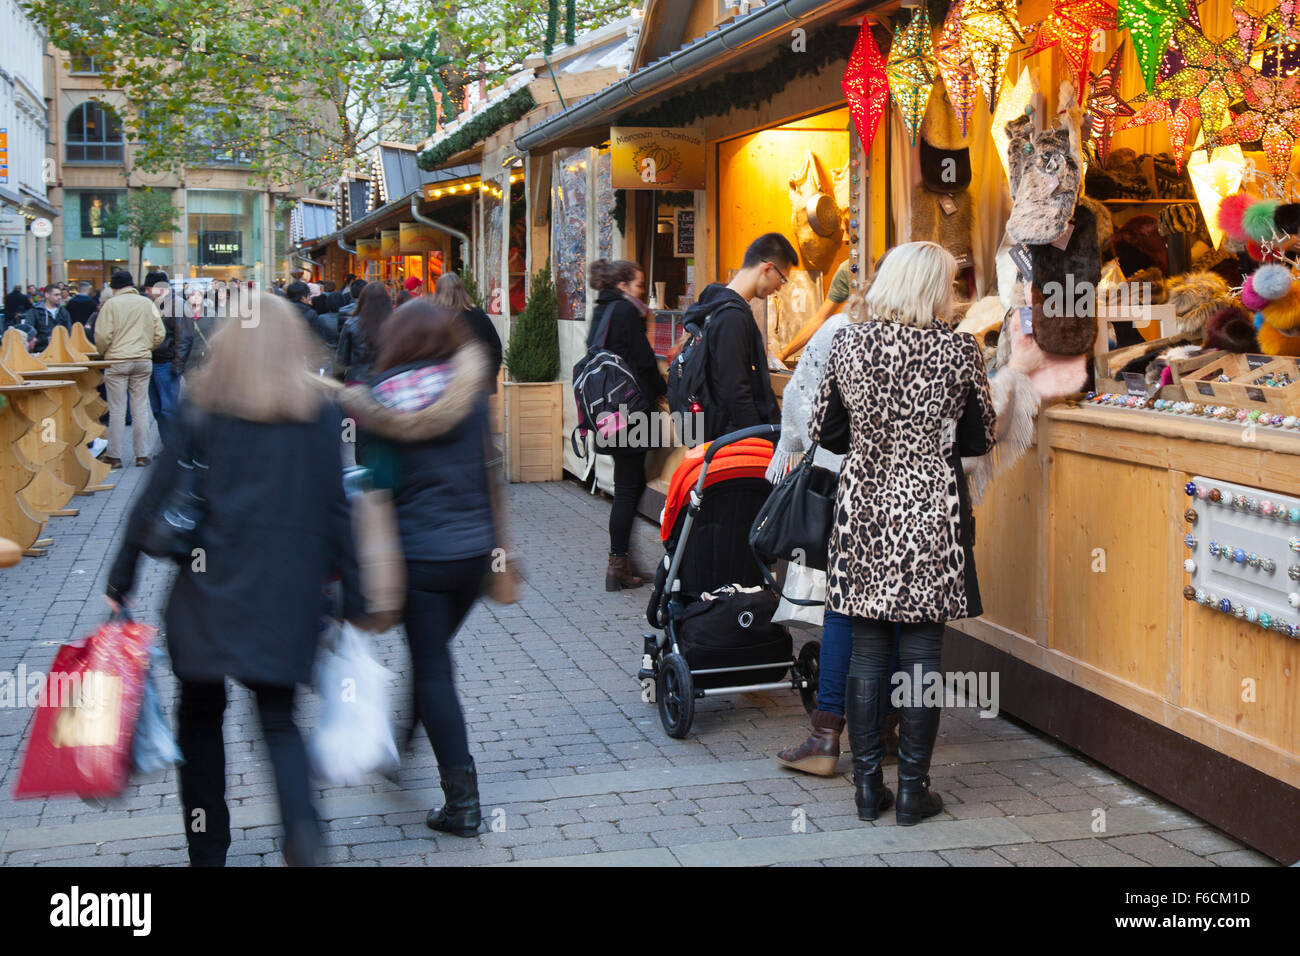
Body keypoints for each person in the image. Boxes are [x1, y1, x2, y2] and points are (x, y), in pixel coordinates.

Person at [106, 293, 364, 867]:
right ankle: (302, 832)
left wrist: (123, 574)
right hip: (285, 598)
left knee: (200, 718)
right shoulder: (318, 415)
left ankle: (208, 849)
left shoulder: (202, 408)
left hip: (207, 596)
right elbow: (336, 510)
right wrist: (357, 591)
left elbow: (151, 500)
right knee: (278, 719)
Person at [807, 241, 996, 826]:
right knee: (921, 653)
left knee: (866, 648)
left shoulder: (847, 342)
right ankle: (914, 790)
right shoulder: (960, 351)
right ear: (932, 288)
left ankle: (868, 790)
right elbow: (979, 439)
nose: (955, 294)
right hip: (929, 515)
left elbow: (826, 432)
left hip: (864, 508)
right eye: (949, 284)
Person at [339, 298, 494, 839]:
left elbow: (375, 483)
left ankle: (464, 805)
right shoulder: (471, 395)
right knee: (430, 657)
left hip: (419, 557)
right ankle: (403, 739)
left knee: (432, 667)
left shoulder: (379, 403)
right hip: (474, 556)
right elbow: (488, 470)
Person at [768, 252, 902, 777]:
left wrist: (831, 452)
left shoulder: (843, 333)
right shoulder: (936, 339)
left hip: (846, 487)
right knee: (893, 613)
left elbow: (807, 410)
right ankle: (888, 731)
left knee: (844, 609)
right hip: (912, 497)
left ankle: (828, 735)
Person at [582, 259, 666, 590]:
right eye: (638, 284)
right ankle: (618, 566)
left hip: (609, 413)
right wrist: (664, 391)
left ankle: (626, 561)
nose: (641, 290)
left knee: (627, 487)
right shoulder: (625, 311)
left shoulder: (602, 310)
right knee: (629, 489)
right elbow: (644, 361)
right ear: (623, 285)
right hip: (630, 413)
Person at [679, 232, 795, 441]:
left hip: (720, 434)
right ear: (767, 268)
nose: (779, 287)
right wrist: (759, 441)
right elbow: (736, 390)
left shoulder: (715, 305)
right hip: (732, 440)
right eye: (782, 278)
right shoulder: (732, 317)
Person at [95, 270, 165, 467]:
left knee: (117, 409)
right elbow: (159, 333)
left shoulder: (111, 305)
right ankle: (142, 455)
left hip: (117, 360)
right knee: (141, 408)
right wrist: (146, 347)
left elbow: (102, 336)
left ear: (114, 287)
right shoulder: (146, 303)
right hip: (142, 360)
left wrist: (104, 352)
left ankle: (114, 456)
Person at [432, 273, 501, 389]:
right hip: (476, 383)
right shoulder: (478, 315)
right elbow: (495, 347)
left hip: (445, 387)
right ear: (462, 291)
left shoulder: (434, 319)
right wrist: (489, 375)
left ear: (438, 293)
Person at [143, 272, 181, 444]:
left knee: (168, 409)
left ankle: (176, 448)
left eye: (148, 288)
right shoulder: (152, 305)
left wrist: (177, 364)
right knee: (157, 410)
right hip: (151, 361)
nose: (146, 292)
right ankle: (167, 446)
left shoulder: (176, 306)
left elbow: (185, 337)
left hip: (166, 363)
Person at [334, 281, 390, 384]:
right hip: (385, 380)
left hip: (357, 379)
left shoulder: (351, 324)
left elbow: (341, 359)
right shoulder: (394, 322)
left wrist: (338, 381)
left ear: (362, 299)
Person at [286, 280, 336, 369]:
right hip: (308, 357)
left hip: (288, 356)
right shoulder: (310, 313)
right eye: (308, 295)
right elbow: (319, 336)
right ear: (303, 298)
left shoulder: (283, 312)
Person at [175, 283, 219, 377]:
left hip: (206, 362)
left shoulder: (211, 314)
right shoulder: (181, 315)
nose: (196, 297)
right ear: (187, 297)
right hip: (188, 363)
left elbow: (218, 333)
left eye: (199, 294)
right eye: (193, 294)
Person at [23, 286, 72, 351]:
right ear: (47, 295)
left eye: (60, 295)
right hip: (40, 350)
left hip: (60, 350)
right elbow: (29, 329)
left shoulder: (63, 312)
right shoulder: (34, 311)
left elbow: (68, 331)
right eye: (56, 295)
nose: (59, 297)